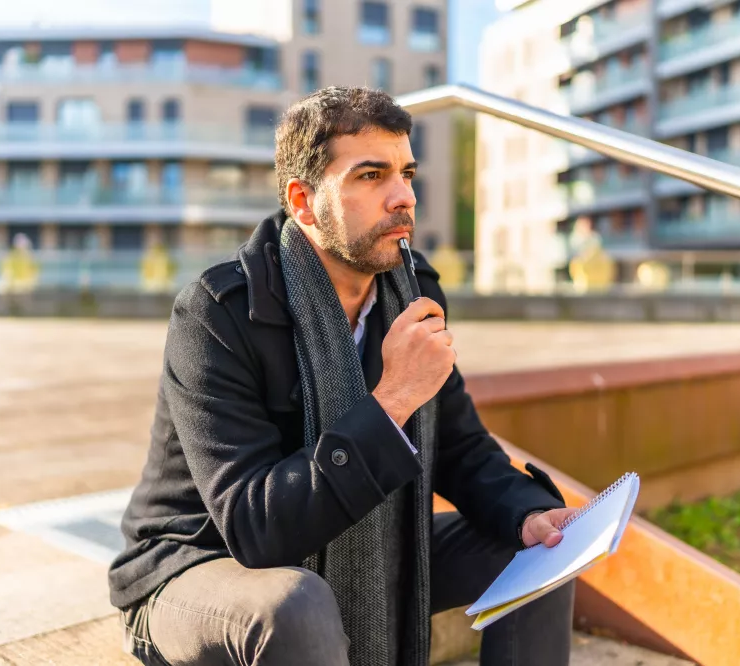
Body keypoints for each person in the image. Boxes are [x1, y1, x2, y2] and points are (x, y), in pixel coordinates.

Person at [108, 86, 575, 666]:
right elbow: (256, 530)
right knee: (295, 604)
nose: (403, 197)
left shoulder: (413, 292)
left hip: (366, 537)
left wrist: (528, 512)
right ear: (303, 201)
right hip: (201, 564)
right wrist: (392, 399)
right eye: (371, 176)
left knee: (546, 550)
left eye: (407, 173)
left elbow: (459, 448)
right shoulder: (218, 314)